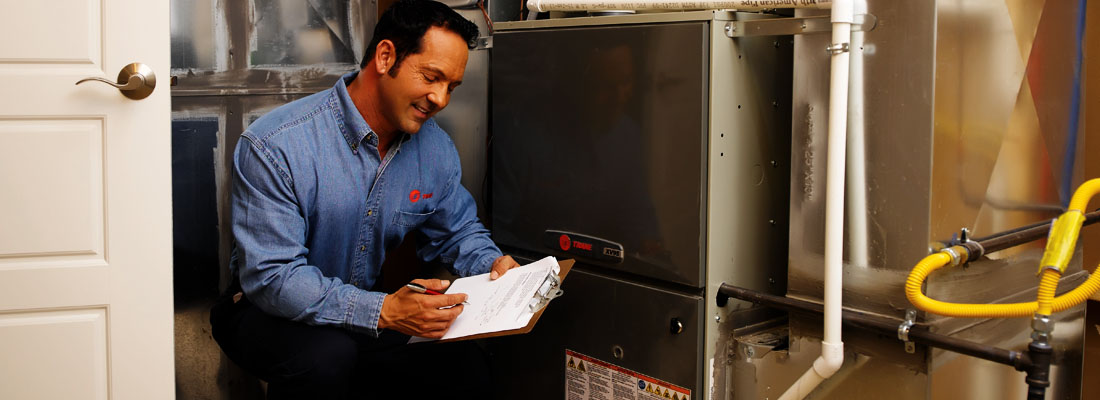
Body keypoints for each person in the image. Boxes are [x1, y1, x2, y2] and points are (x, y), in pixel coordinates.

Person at [209, 1, 519, 398]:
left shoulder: (435, 148)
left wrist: (494, 264)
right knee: (326, 358)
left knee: (465, 366)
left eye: (452, 86)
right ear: (386, 56)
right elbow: (274, 278)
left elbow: (457, 231)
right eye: (431, 77)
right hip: (260, 308)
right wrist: (386, 311)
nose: (441, 98)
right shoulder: (277, 144)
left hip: (366, 310)